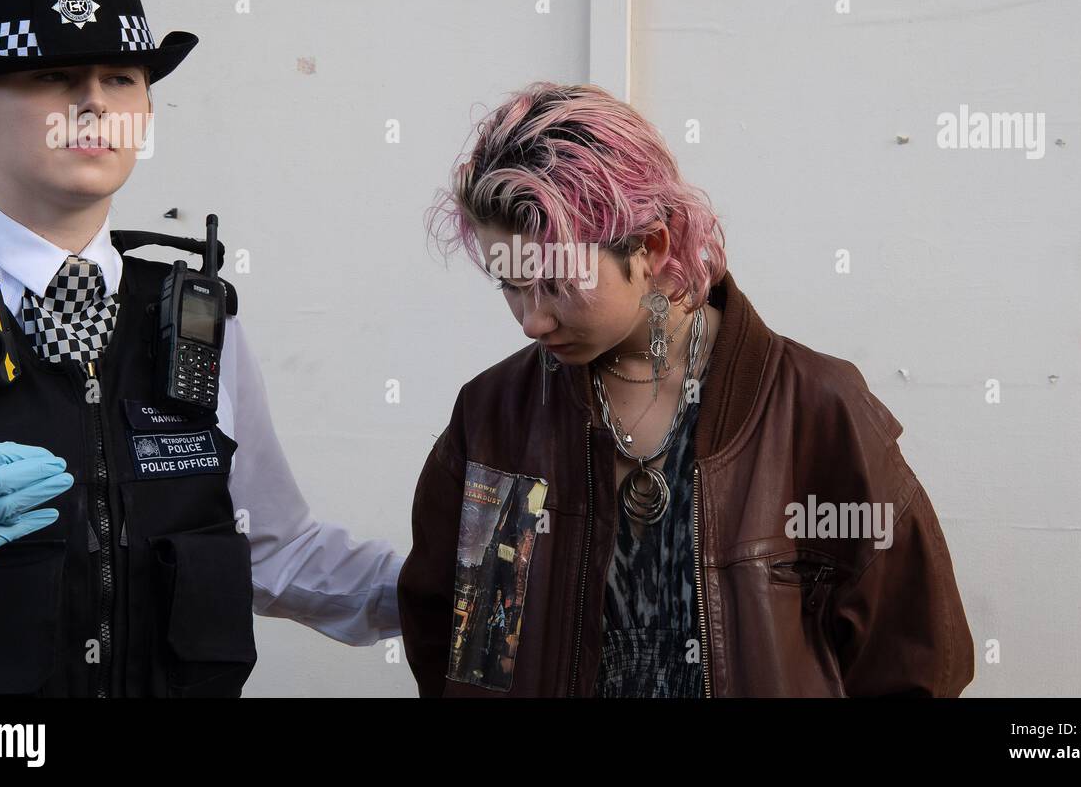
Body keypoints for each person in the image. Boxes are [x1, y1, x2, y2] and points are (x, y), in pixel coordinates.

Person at [0, 0, 403, 696]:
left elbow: (273, 550)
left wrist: (459, 587)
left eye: (120, 78)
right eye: (53, 77)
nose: (93, 103)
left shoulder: (197, 319)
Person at [398, 81, 976, 697]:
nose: (532, 319)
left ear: (649, 248)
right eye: (510, 285)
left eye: (555, 283)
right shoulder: (492, 418)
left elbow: (916, 661)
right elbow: (451, 641)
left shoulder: (816, 412)